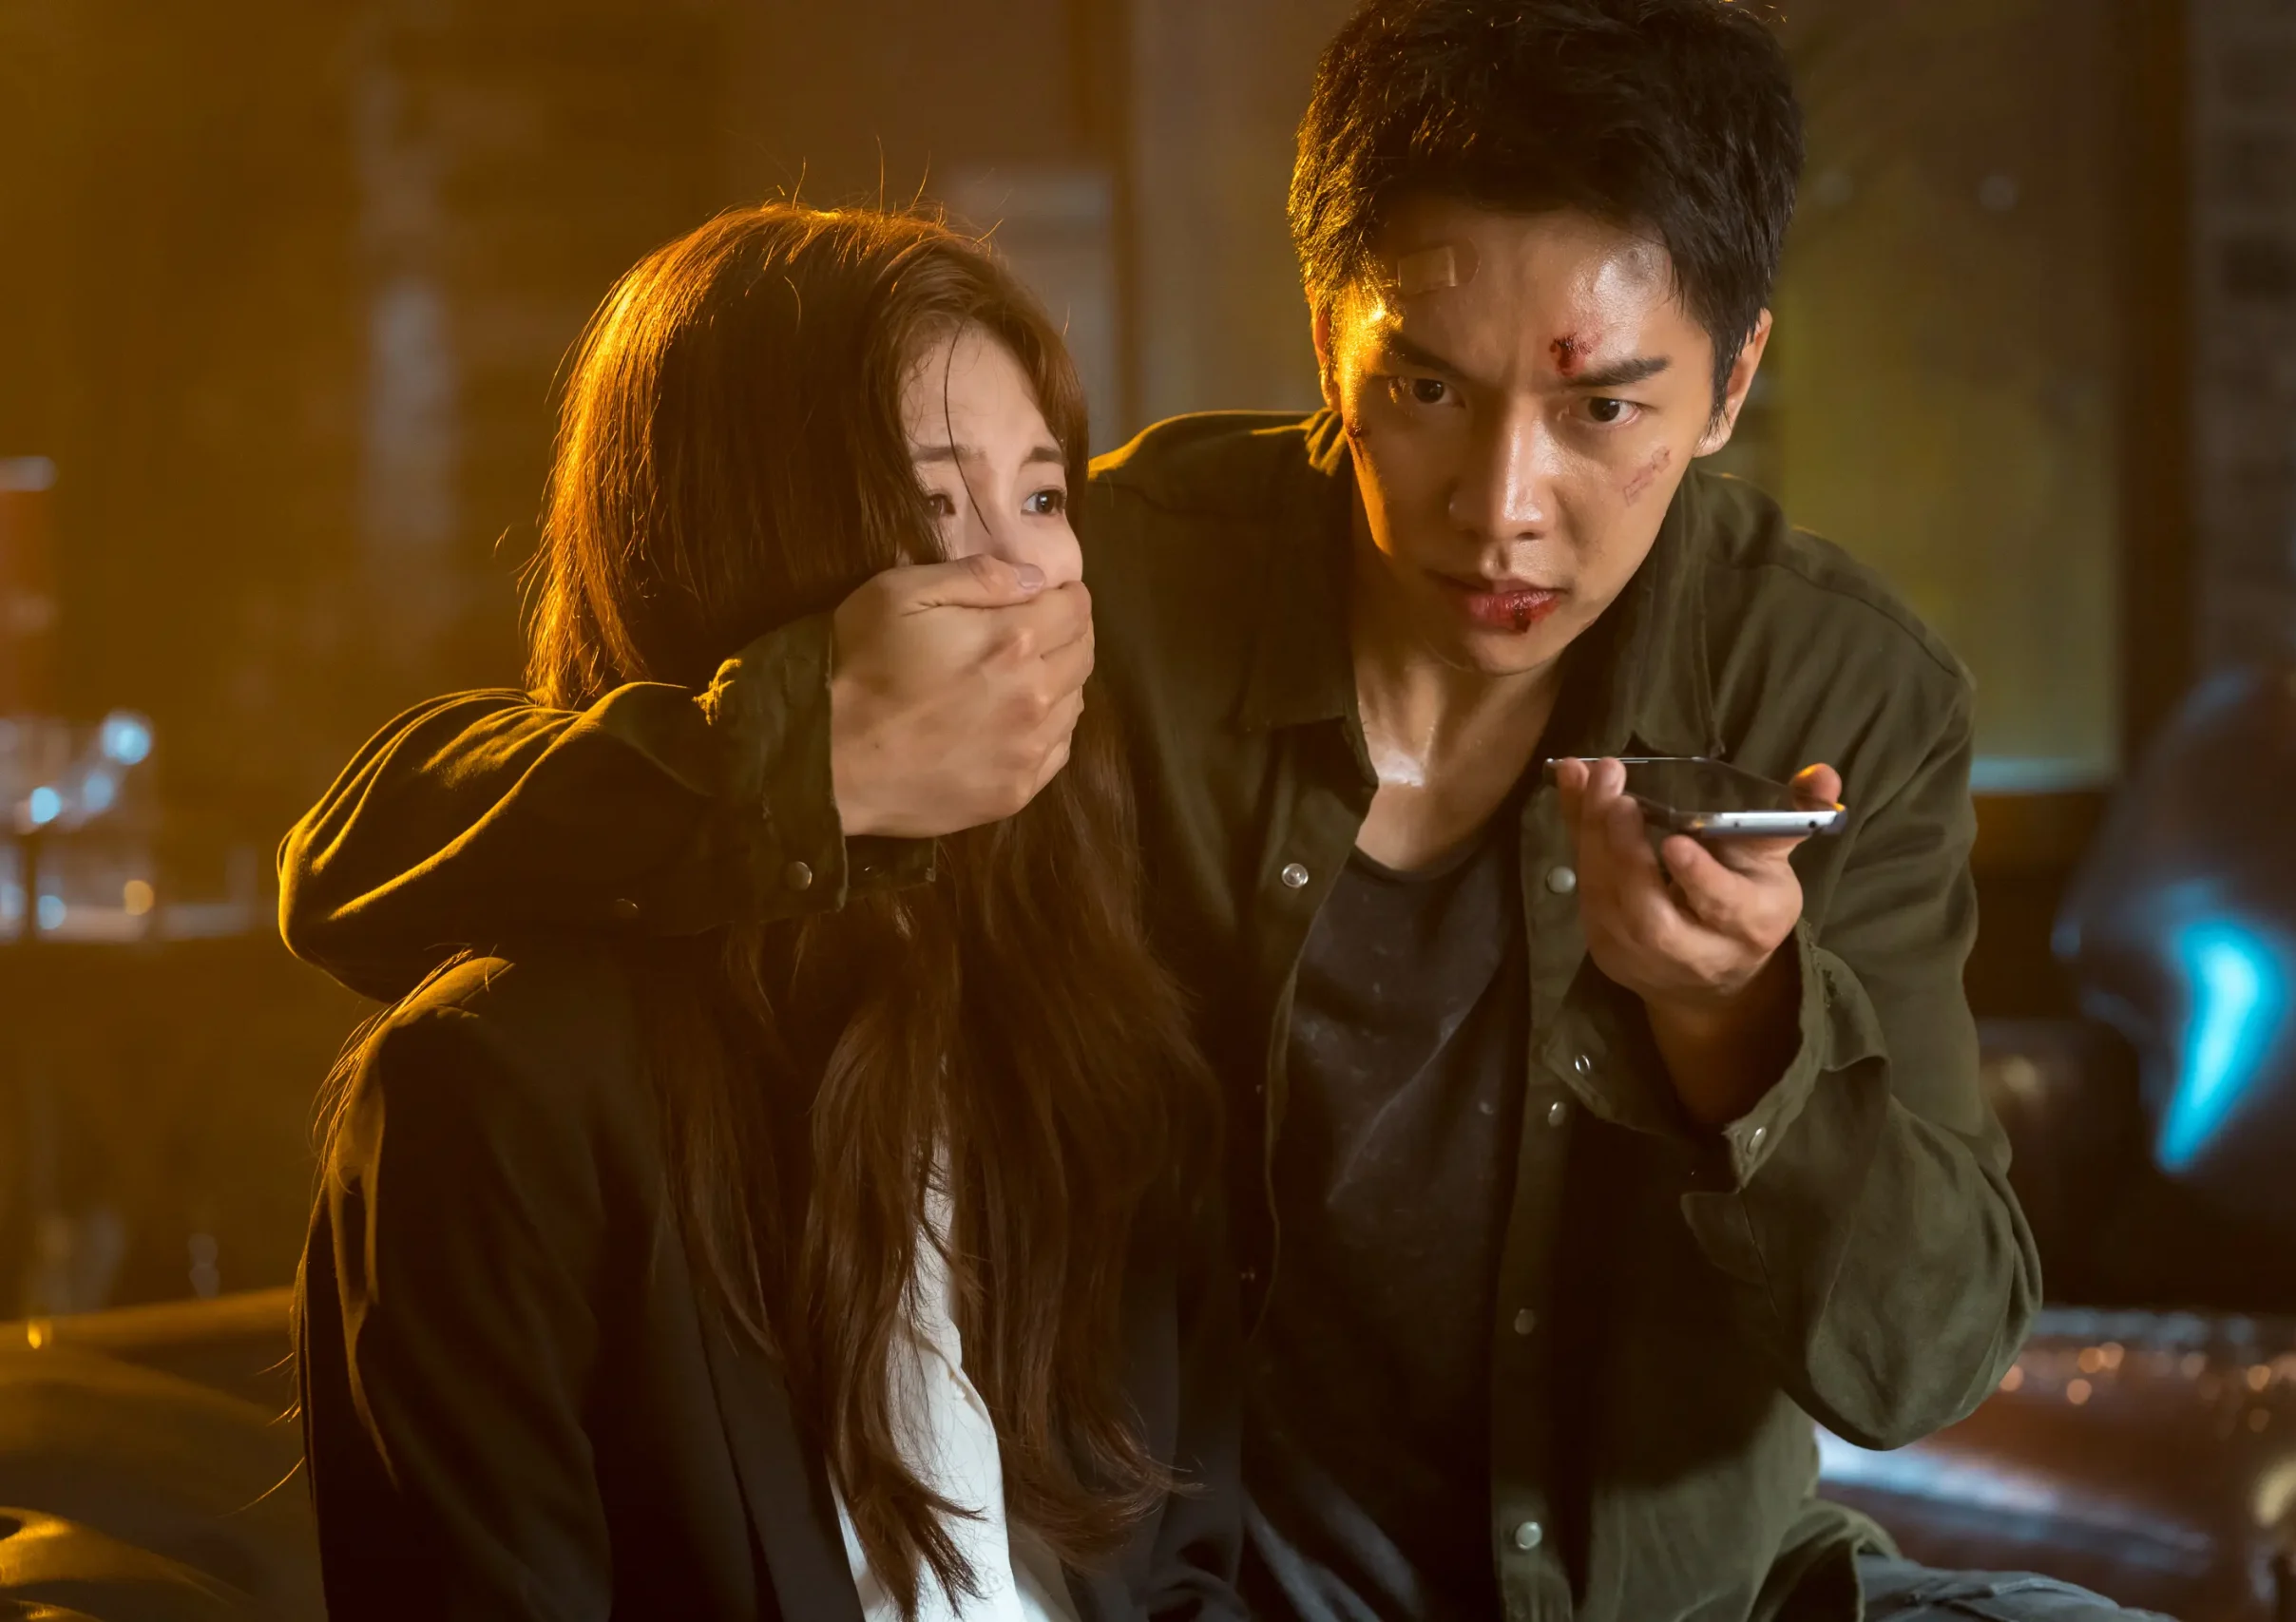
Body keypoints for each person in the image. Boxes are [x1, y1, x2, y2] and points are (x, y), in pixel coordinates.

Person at [280, 3, 2170, 1619]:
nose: (1500, 505)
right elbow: (361, 869)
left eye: (1602, 410)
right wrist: (804, 757)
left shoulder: (1834, 690)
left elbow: (1922, 1358)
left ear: (1733, 377)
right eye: (1422, 388)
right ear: (1324, 330)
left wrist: (1741, 1027)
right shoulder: (1111, 589)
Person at [293, 206, 1245, 1621]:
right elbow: (349, 858)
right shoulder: (509, 1100)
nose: (1025, 582)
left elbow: (1184, 1559)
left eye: (1045, 498)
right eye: (934, 507)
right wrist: (810, 757)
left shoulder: (1079, 1011)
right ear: (759, 553)